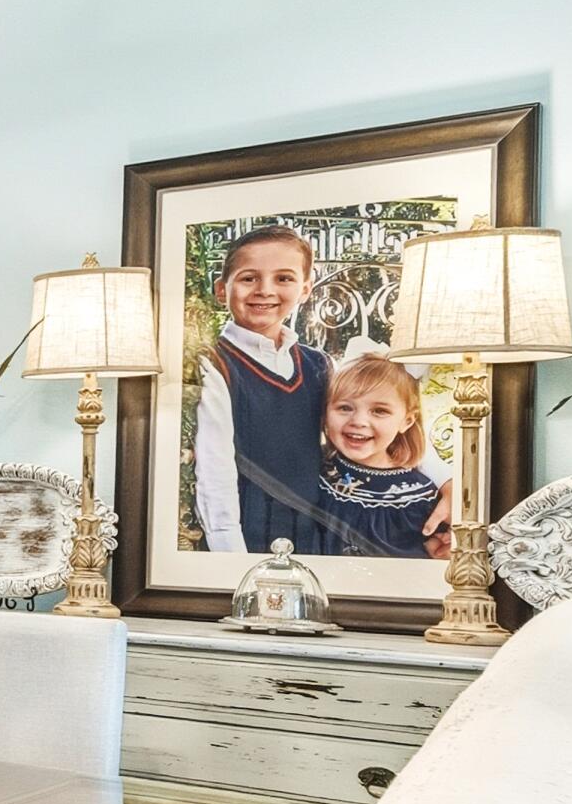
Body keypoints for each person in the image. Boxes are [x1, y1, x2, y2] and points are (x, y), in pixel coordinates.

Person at [191, 226, 330, 552]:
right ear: (222, 289)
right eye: (249, 278)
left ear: (306, 289)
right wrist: (230, 554)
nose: (265, 290)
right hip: (248, 529)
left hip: (313, 529)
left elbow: (377, 421)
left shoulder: (319, 364)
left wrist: (444, 481)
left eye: (284, 278)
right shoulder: (212, 365)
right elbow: (214, 471)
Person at [314, 347, 454, 559]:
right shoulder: (316, 470)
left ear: (407, 420)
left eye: (379, 411)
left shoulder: (420, 496)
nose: (358, 421)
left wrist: (442, 551)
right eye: (345, 408)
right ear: (325, 412)